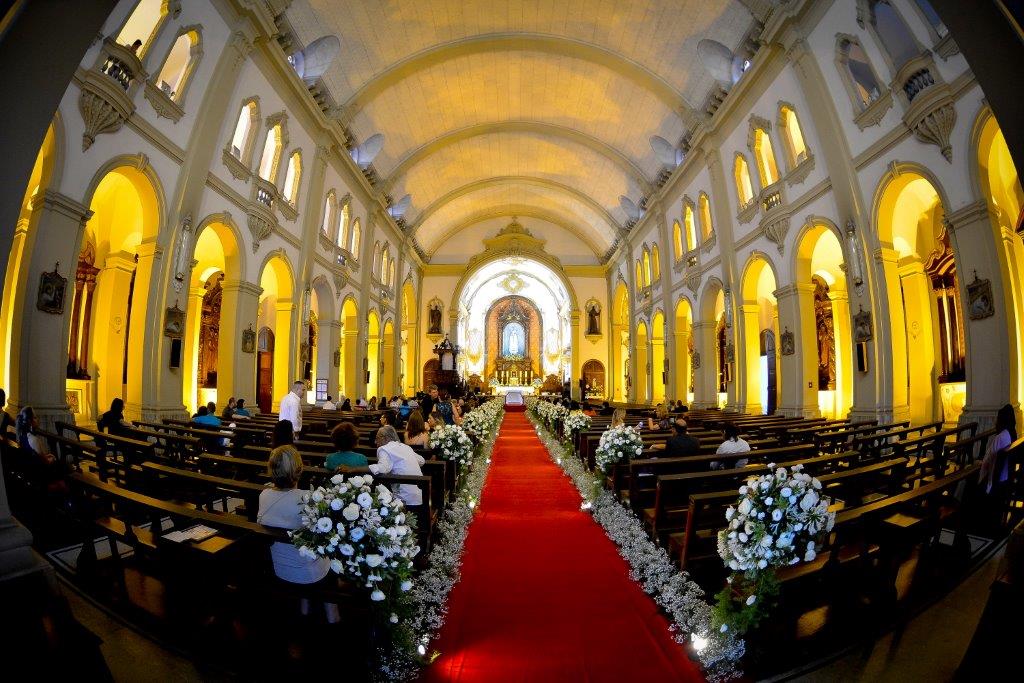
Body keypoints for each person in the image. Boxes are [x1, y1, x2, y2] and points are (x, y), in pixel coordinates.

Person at [257, 446, 338, 622]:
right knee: (332, 558)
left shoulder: (264, 495)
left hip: (280, 568)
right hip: (309, 573)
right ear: (299, 471)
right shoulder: (308, 497)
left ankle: (305, 606)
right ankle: (333, 615)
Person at [370, 426, 426, 506]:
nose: (375, 442)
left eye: (377, 438)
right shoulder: (405, 447)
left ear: (385, 438)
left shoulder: (384, 449)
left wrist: (356, 469)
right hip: (419, 496)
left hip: (403, 499)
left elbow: (382, 468)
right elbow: (422, 460)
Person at [980, 404, 1018, 494]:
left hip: (995, 481)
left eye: (997, 418)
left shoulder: (1000, 438)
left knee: (965, 480)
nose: (995, 422)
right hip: (1006, 477)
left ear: (1001, 421)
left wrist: (981, 463)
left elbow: (990, 462)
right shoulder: (1012, 433)